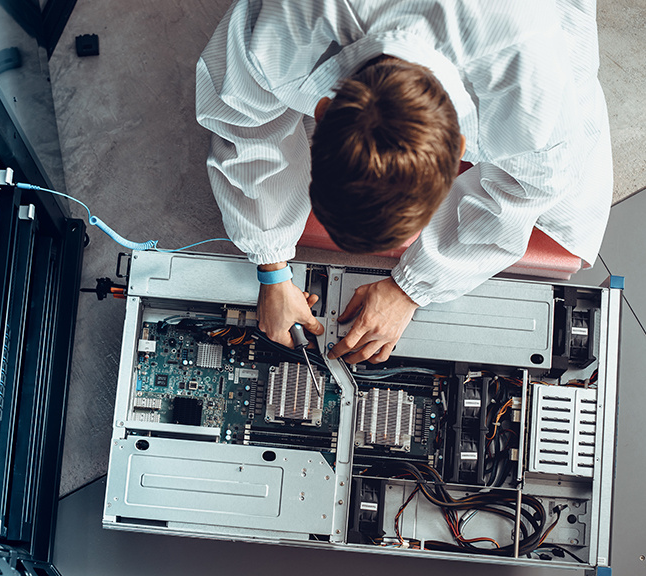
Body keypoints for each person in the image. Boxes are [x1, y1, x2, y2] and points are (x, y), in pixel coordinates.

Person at [196, 0, 612, 364]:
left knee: (564, 201)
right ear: (323, 111)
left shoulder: (534, 94)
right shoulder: (282, 24)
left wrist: (412, 288)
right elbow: (243, 125)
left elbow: (525, 192)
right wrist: (271, 266)